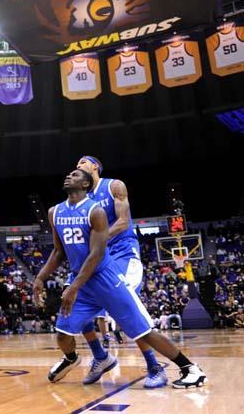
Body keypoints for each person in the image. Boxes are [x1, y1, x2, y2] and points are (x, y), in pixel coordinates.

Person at [33, 169, 206, 389]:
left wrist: (74, 286)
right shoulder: (54, 212)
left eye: (76, 175)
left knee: (142, 331)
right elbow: (58, 252)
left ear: (86, 184)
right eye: (68, 174)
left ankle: (190, 368)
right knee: (63, 332)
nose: (69, 176)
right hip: (82, 281)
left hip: (105, 279)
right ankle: (72, 359)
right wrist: (40, 277)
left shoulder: (95, 212)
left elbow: (96, 255)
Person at [75, 156, 166, 388]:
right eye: (76, 166)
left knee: (125, 312)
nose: (78, 167)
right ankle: (101, 357)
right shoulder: (82, 200)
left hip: (124, 255)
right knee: (77, 306)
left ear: (95, 166)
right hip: (100, 259)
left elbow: (124, 222)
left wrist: (96, 240)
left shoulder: (114, 186)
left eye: (82, 163)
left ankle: (155, 367)